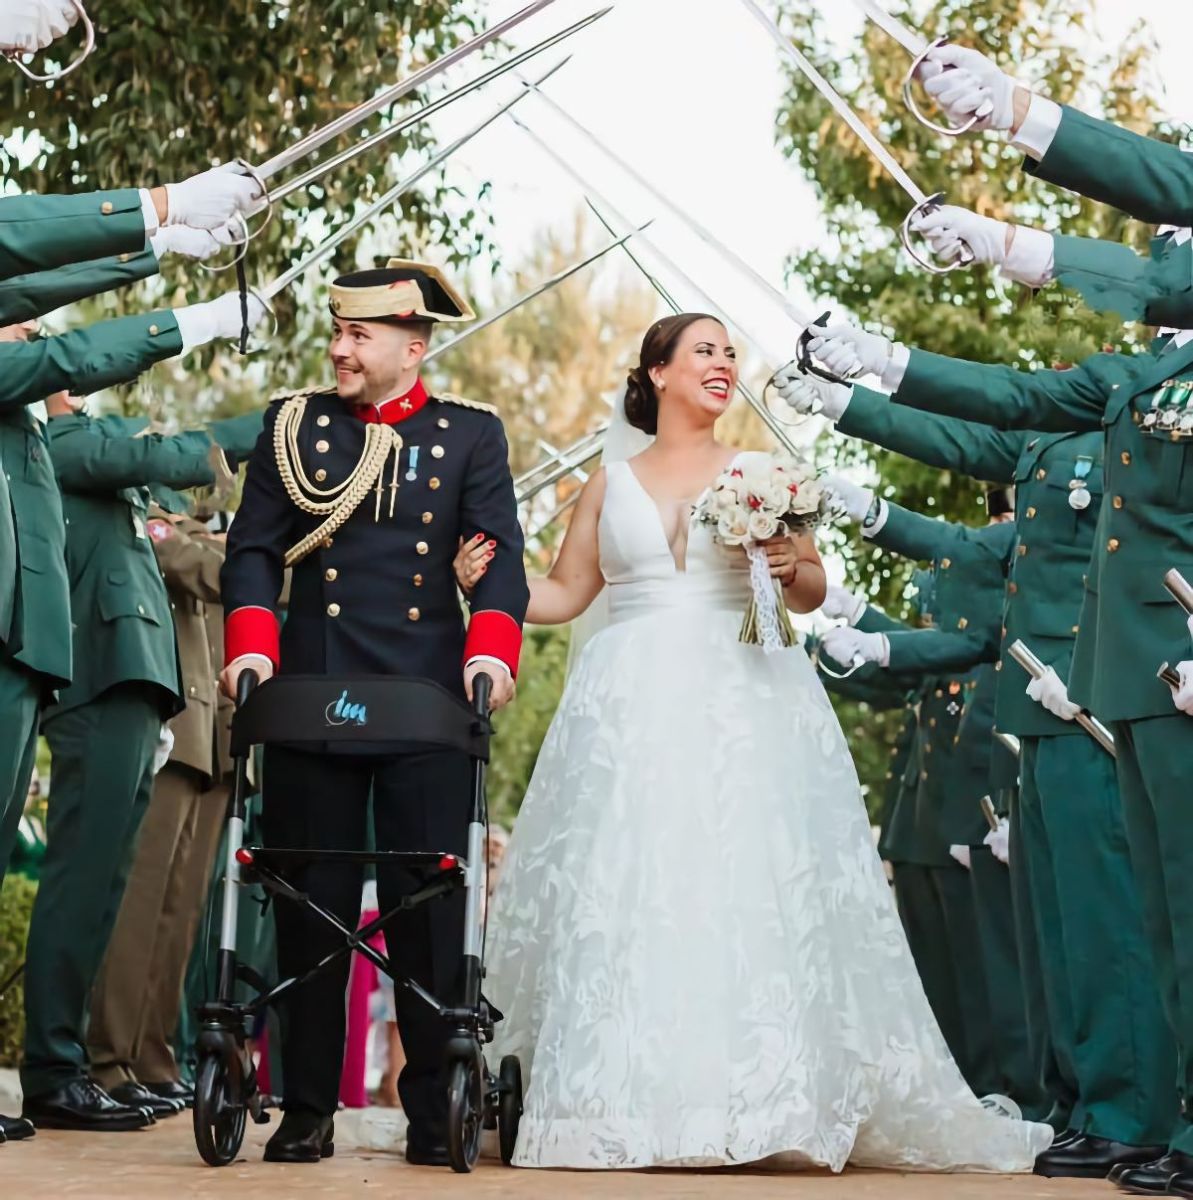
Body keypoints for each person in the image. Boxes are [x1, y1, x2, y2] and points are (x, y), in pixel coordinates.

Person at [479, 312, 1052, 1172]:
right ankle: (627, 1093)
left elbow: (813, 591)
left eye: (728, 353)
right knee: (632, 879)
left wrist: (791, 565)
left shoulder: (763, 472)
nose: (723, 365)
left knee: (743, 876)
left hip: (743, 696)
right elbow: (561, 594)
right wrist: (481, 583)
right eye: (704, 352)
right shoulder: (607, 484)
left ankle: (764, 1094)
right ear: (658, 372)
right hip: (630, 700)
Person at [804, 317, 1193, 1193]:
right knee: (1059, 930)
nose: (1071, 375)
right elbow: (963, 427)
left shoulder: (1135, 433)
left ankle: (1134, 1111)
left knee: (1112, 923)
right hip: (1048, 701)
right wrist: (849, 406)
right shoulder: (1052, 442)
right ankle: (1088, 1103)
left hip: (1096, 695)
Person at [218, 259, 528, 1165]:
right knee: (310, 903)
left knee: (425, 907)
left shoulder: (470, 436)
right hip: (312, 693)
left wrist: (490, 651)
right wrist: (251, 644)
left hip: (426, 700)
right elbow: (252, 552)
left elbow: (500, 556)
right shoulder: (293, 426)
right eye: (338, 332)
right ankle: (307, 1105)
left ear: (412, 345)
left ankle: (433, 1111)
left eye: (359, 335)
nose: (339, 349)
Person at [19, 401, 228, 1133]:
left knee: (109, 889)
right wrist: (250, 433)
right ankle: (65, 1064)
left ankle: (74, 1064)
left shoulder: (106, 460)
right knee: (92, 882)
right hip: (96, 673)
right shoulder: (67, 441)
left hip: (137, 679)